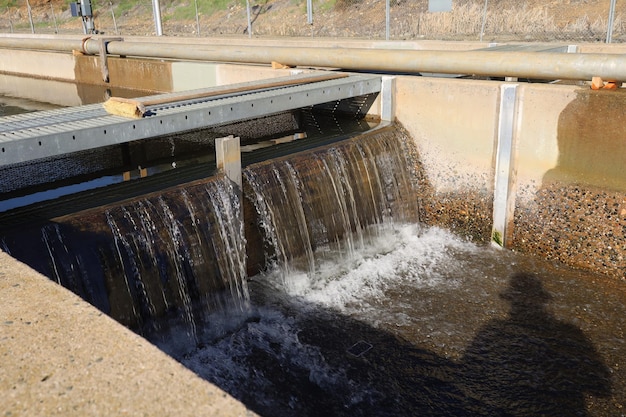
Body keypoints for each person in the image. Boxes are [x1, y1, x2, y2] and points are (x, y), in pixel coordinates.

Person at [460, 272, 611, 416]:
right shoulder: (570, 333)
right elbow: (602, 388)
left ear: (510, 301)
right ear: (542, 301)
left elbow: (466, 374)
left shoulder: (492, 331)